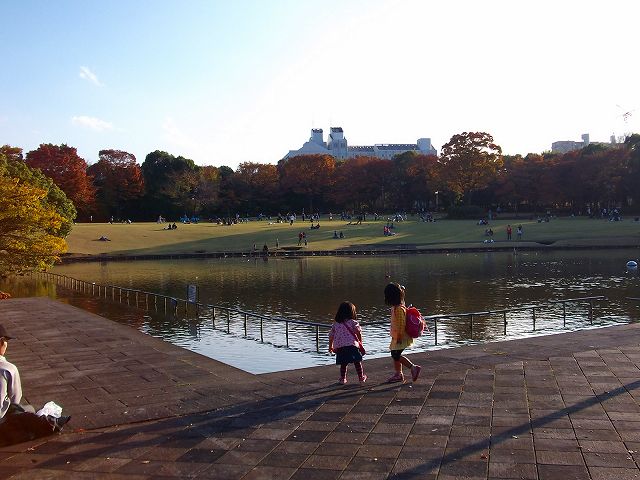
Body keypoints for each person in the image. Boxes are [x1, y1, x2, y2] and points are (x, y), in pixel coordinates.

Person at [0, 325, 70, 446]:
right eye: (5, 341)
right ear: (1, 343)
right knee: (28, 410)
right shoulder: (7, 369)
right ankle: (51, 423)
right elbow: (15, 398)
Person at [384, 283, 421, 383]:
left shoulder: (399, 309)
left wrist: (399, 336)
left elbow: (401, 324)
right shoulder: (397, 307)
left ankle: (413, 367)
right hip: (397, 336)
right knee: (395, 354)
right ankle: (398, 374)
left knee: (395, 355)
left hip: (401, 336)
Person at [328, 302, 366, 385]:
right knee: (357, 362)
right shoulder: (353, 322)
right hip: (352, 345)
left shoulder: (336, 324)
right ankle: (361, 377)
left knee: (343, 363)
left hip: (340, 347)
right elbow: (358, 332)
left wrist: (330, 346)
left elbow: (331, 336)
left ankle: (343, 379)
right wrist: (360, 343)